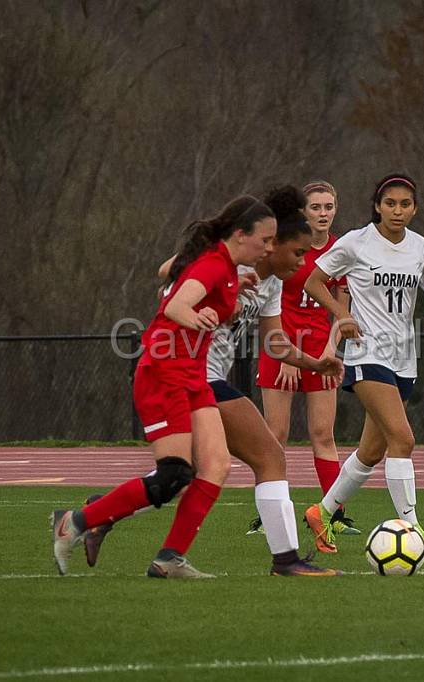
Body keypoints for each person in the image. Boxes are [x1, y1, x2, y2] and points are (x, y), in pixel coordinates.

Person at [78, 186, 345, 577]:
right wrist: (190, 282)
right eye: (298, 252)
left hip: (205, 376)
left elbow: (274, 342)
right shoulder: (234, 265)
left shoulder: (269, 284)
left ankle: (105, 516)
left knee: (189, 477)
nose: (303, 262)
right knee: (266, 458)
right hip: (189, 372)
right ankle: (284, 560)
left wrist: (315, 363)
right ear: (271, 245)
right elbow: (170, 272)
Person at [51, 194, 278, 578]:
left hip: (192, 374)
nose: (269, 248)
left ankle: (169, 559)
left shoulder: (221, 266)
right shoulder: (211, 265)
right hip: (164, 372)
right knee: (173, 476)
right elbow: (174, 308)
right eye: (265, 240)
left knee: (217, 466)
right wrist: (196, 315)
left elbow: (172, 279)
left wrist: (232, 291)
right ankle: (75, 521)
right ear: (241, 234)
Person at [301, 173, 424, 555]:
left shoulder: (420, 247)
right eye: (390, 204)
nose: (397, 211)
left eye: (405, 204)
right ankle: (415, 529)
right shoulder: (357, 242)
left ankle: (322, 513)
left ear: (414, 208)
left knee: (371, 452)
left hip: (405, 359)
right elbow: (313, 281)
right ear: (377, 206)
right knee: (403, 439)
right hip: (367, 355)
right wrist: (341, 315)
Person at [249, 180, 360, 537]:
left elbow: (342, 309)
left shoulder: (341, 250)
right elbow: (273, 301)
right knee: (274, 437)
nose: (323, 214)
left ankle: (333, 514)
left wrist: (330, 349)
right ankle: (267, 517)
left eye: (329, 207)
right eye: (316, 207)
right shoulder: (287, 248)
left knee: (323, 434)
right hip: (281, 348)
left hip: (318, 349)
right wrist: (285, 357)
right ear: (304, 212)